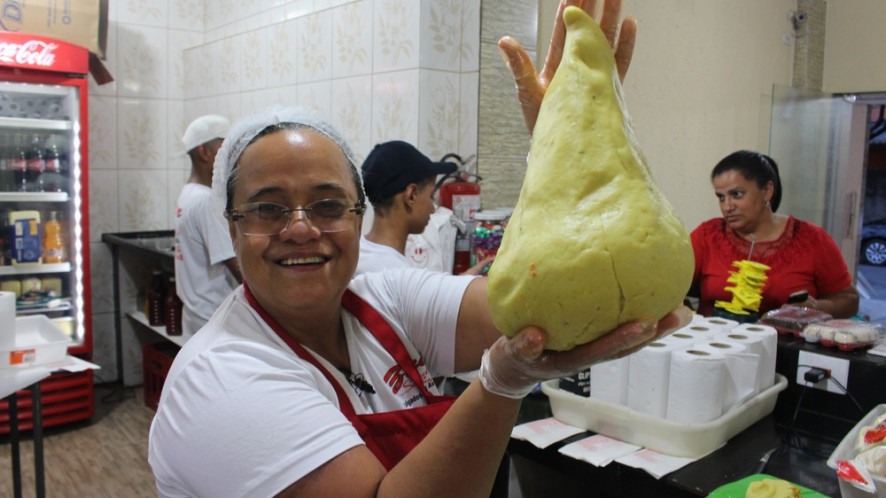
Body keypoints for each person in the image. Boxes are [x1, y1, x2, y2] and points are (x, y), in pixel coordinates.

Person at [149, 1, 686, 496]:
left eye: (329, 205)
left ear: (359, 216)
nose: (301, 229)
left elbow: (545, 307)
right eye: (268, 208)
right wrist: (502, 383)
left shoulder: (383, 301)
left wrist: (566, 139)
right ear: (232, 228)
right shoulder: (222, 380)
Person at [689, 150, 860, 318]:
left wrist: (815, 307)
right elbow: (676, 283)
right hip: (713, 335)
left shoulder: (811, 240)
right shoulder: (707, 235)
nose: (727, 207)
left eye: (737, 194)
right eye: (721, 197)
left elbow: (850, 300)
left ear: (767, 191)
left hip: (784, 336)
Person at [356, 140, 492, 276]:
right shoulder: (400, 275)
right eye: (431, 196)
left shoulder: (356, 255)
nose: (433, 209)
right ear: (411, 196)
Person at [174, 114, 242, 336]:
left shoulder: (189, 194)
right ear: (204, 152)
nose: (231, 158)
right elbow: (238, 267)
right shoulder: (207, 202)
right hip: (215, 320)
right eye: (225, 149)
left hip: (196, 316)